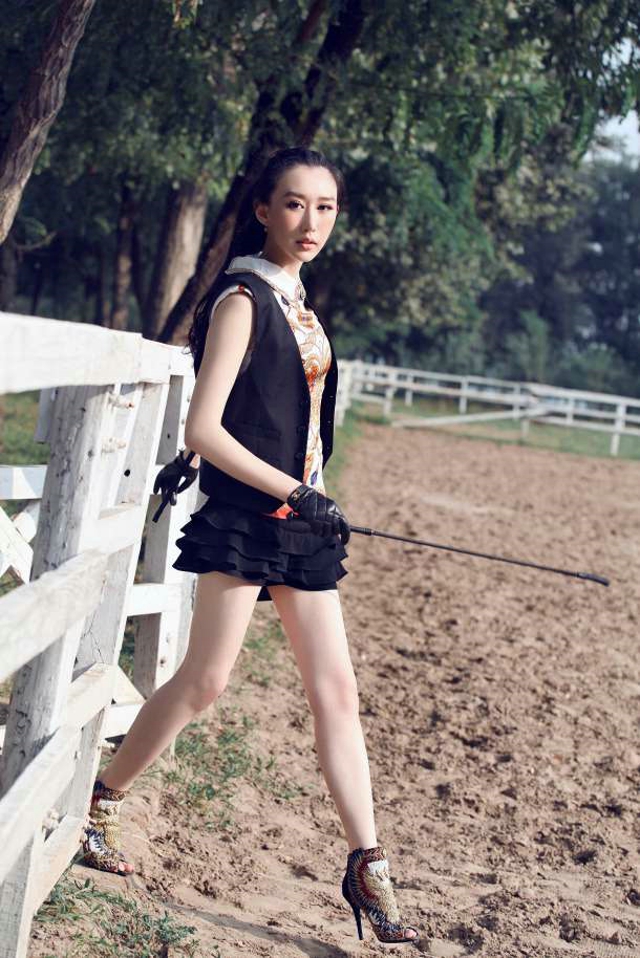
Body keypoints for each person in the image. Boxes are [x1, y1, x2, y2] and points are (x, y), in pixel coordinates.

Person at [80, 147, 419, 946]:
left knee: (338, 693)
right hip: (245, 516)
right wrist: (294, 490)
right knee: (206, 682)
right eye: (294, 204)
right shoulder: (242, 299)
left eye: (325, 207)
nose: (310, 222)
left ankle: (367, 864)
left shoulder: (302, 305)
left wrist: (312, 494)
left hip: (301, 524)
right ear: (263, 210)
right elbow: (205, 429)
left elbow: (299, 421)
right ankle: (102, 800)